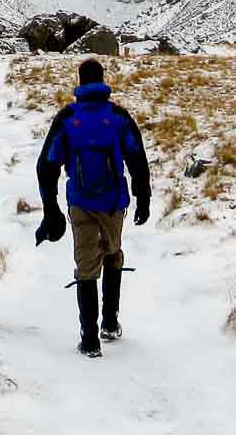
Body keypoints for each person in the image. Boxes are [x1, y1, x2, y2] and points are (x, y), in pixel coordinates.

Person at [35, 58, 151, 358]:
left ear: (80, 81)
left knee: (86, 265)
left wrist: (50, 209)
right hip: (114, 203)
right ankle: (110, 323)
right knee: (112, 256)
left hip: (80, 203)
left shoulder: (67, 117)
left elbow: (46, 166)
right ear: (102, 80)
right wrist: (143, 197)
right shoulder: (118, 116)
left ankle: (89, 340)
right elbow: (137, 159)